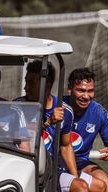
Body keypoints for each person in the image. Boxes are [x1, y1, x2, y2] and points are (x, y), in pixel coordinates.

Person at [15, 60, 91, 192]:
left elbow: (66, 146)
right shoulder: (18, 107)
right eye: (26, 81)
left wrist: (75, 176)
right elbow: (25, 137)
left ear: (47, 85)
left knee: (82, 187)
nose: (25, 87)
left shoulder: (65, 111)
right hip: (24, 168)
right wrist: (48, 122)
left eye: (31, 83)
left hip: (52, 170)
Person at [63, 68, 108, 192]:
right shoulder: (58, 107)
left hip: (81, 162)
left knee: (103, 179)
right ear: (69, 89)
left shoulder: (99, 113)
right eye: (80, 90)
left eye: (90, 91)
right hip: (57, 160)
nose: (86, 96)